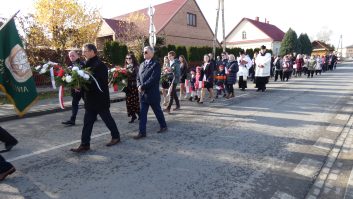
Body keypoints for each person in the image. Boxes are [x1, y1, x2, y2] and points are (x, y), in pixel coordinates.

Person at [70, 44, 121, 152]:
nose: (83, 53)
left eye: (86, 51)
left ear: (93, 51)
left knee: (107, 120)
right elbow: (83, 80)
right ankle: (85, 144)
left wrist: (84, 85)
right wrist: (79, 87)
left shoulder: (100, 65)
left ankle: (116, 136)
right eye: (83, 51)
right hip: (90, 100)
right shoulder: (85, 65)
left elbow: (99, 82)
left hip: (100, 99)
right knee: (87, 122)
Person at [134, 46, 167, 139]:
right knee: (142, 114)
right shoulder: (141, 64)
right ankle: (142, 132)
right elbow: (137, 77)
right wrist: (138, 85)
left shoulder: (155, 64)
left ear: (152, 54)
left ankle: (163, 125)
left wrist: (142, 86)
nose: (144, 54)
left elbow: (153, 79)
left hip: (152, 94)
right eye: (143, 52)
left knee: (158, 112)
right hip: (143, 95)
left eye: (146, 52)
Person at [62, 51, 85, 126]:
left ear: (77, 56)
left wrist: (79, 86)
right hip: (75, 89)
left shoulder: (82, 64)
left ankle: (94, 115)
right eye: (70, 56)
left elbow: (84, 77)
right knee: (74, 103)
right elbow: (69, 78)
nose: (71, 57)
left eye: (73, 55)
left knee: (88, 103)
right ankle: (72, 120)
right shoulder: (69, 65)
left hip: (83, 89)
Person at [124, 52, 140, 123]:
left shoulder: (136, 67)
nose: (128, 60)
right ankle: (133, 116)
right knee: (128, 102)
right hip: (128, 87)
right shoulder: (125, 67)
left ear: (133, 59)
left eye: (129, 58)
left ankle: (140, 114)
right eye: (127, 58)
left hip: (134, 86)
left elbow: (138, 77)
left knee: (135, 102)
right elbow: (123, 77)